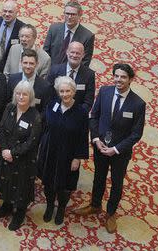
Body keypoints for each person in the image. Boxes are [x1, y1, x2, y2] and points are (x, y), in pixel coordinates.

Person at [74, 63, 146, 234]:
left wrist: (116, 149)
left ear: (130, 79)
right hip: (101, 146)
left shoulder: (138, 104)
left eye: (123, 77)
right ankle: (95, 205)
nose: (119, 80)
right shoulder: (105, 92)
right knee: (98, 177)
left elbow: (136, 134)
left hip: (120, 152)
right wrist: (97, 139)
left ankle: (111, 213)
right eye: (116, 76)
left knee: (116, 182)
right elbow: (94, 117)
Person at [38, 77, 89, 225]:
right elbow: (45, 127)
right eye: (62, 91)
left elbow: (83, 136)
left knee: (64, 185)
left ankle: (61, 208)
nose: (65, 94)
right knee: (48, 182)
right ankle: (49, 206)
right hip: (50, 151)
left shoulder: (81, 112)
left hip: (69, 154)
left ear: (74, 92)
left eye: (68, 91)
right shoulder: (52, 105)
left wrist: (77, 158)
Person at [0, 81, 42, 230]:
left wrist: (13, 153)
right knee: (6, 180)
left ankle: (19, 213)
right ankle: (6, 206)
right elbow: (0, 129)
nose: (21, 96)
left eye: (25, 94)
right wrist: (5, 150)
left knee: (21, 186)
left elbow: (32, 142)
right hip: (6, 154)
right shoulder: (9, 107)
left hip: (24, 160)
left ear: (30, 96)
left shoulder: (35, 116)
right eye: (18, 93)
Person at [46, 41, 95, 112]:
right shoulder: (54, 70)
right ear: (67, 52)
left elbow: (88, 102)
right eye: (72, 52)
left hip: (77, 115)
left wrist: (77, 114)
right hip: (55, 112)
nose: (74, 55)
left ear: (83, 55)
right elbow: (48, 95)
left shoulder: (89, 75)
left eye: (78, 53)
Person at [43, 0, 95, 67]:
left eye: (73, 14)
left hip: (70, 74)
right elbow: (45, 53)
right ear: (64, 14)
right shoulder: (54, 29)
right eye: (67, 13)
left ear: (80, 15)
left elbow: (85, 62)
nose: (69, 17)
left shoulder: (88, 36)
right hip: (50, 71)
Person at [7, 49, 53, 118]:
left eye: (31, 63)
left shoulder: (45, 86)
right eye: (25, 63)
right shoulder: (12, 79)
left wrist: (34, 121)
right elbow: (7, 102)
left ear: (37, 64)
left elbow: (45, 110)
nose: (28, 66)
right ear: (21, 63)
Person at [0, 1, 25, 69]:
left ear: (16, 13)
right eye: (5, 11)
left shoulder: (22, 27)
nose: (7, 14)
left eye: (10, 12)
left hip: (9, 65)